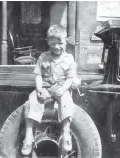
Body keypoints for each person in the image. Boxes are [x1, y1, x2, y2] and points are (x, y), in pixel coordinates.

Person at [21, 24, 76, 156]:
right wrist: (39, 88)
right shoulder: (43, 57)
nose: (56, 47)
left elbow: (70, 79)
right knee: (32, 101)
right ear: (48, 42)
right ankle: (28, 137)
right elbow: (38, 75)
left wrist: (62, 90)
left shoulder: (69, 59)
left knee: (67, 102)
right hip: (45, 88)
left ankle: (66, 134)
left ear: (65, 41)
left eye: (60, 43)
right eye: (52, 44)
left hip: (61, 89)